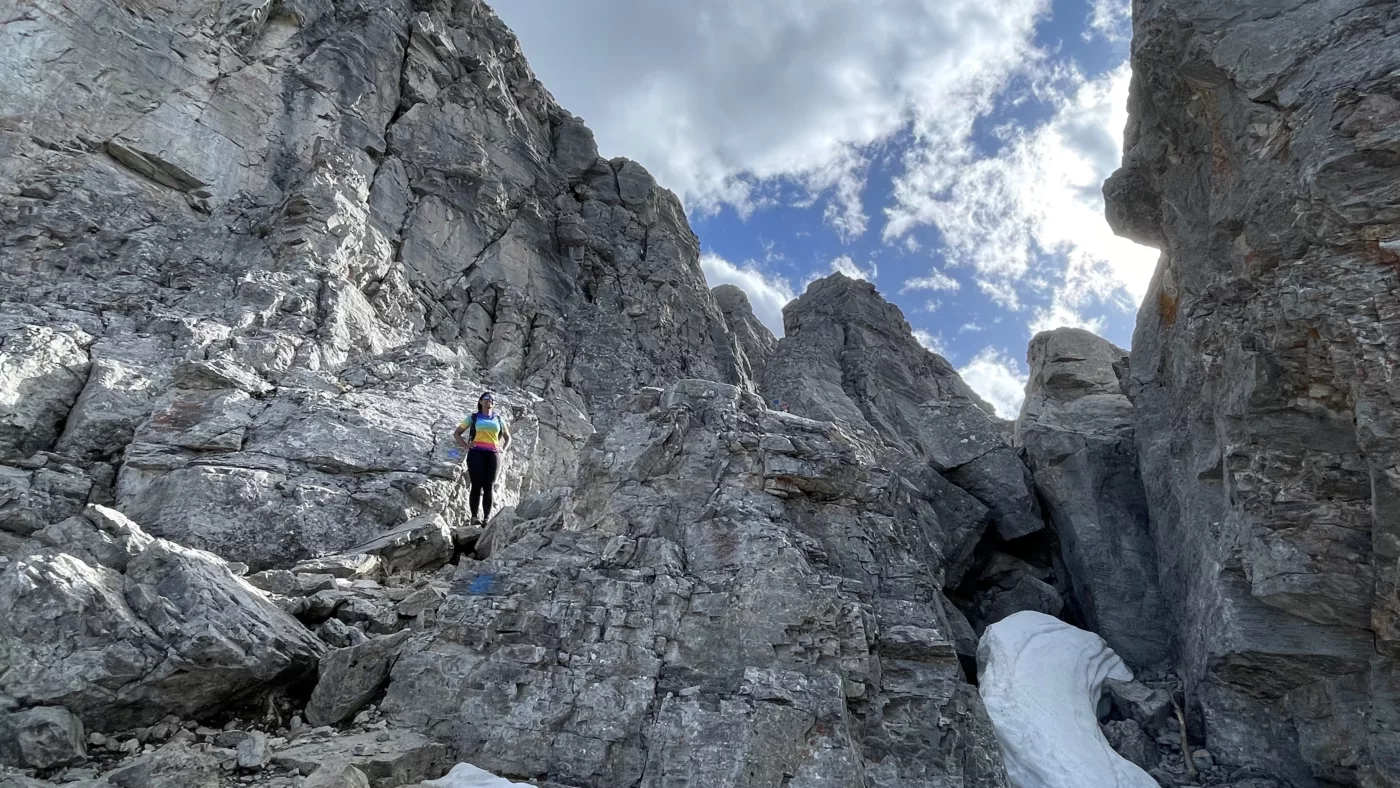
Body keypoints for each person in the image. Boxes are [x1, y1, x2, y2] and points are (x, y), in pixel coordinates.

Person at [453, 391, 511, 525]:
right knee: (476, 485)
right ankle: (474, 517)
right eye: (486, 398)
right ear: (480, 402)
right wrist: (466, 446)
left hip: (493, 454)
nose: (489, 401)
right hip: (476, 453)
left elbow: (508, 438)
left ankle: (486, 518)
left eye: (491, 399)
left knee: (489, 486)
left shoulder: (499, 419)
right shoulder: (473, 417)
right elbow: (457, 433)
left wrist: (503, 449)